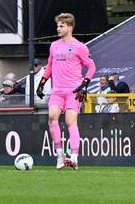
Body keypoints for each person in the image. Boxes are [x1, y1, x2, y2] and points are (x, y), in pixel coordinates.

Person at [35, 12, 97, 170]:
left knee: (70, 121)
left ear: (70, 27)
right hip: (57, 91)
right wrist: (42, 83)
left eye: (61, 26)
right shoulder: (54, 46)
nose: (58, 28)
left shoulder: (80, 47)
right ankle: (60, 155)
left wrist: (84, 84)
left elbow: (91, 66)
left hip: (73, 91)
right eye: (57, 25)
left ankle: (74, 157)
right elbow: (49, 66)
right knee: (52, 117)